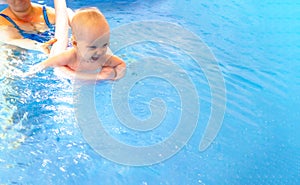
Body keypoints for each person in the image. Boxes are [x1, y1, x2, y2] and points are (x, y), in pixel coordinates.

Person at [25, 7, 126, 81]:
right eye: (92, 47)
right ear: (75, 44)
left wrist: (117, 76)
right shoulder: (69, 57)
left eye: (104, 45)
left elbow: (121, 64)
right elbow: (44, 64)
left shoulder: (104, 58)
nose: (100, 52)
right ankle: (67, 12)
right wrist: (28, 74)